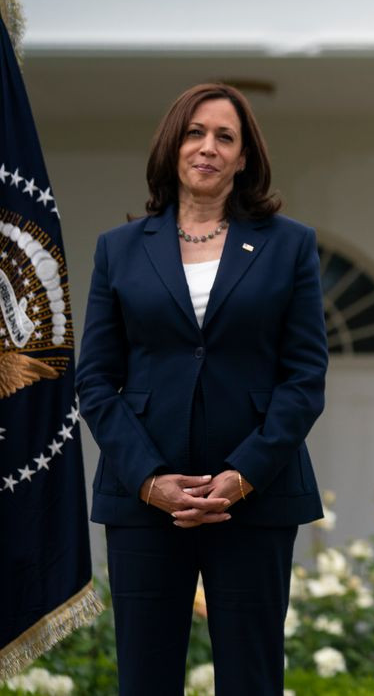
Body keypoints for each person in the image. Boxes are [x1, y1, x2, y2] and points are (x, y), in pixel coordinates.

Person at [77, 83, 328, 695]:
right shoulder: (118, 250)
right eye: (195, 133)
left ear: (244, 158)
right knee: (145, 679)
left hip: (256, 496)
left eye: (225, 137)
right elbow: (96, 380)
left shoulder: (290, 245)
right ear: (173, 147)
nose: (207, 147)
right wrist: (149, 480)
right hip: (144, 501)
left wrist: (243, 475)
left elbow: (304, 377)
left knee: (252, 679)